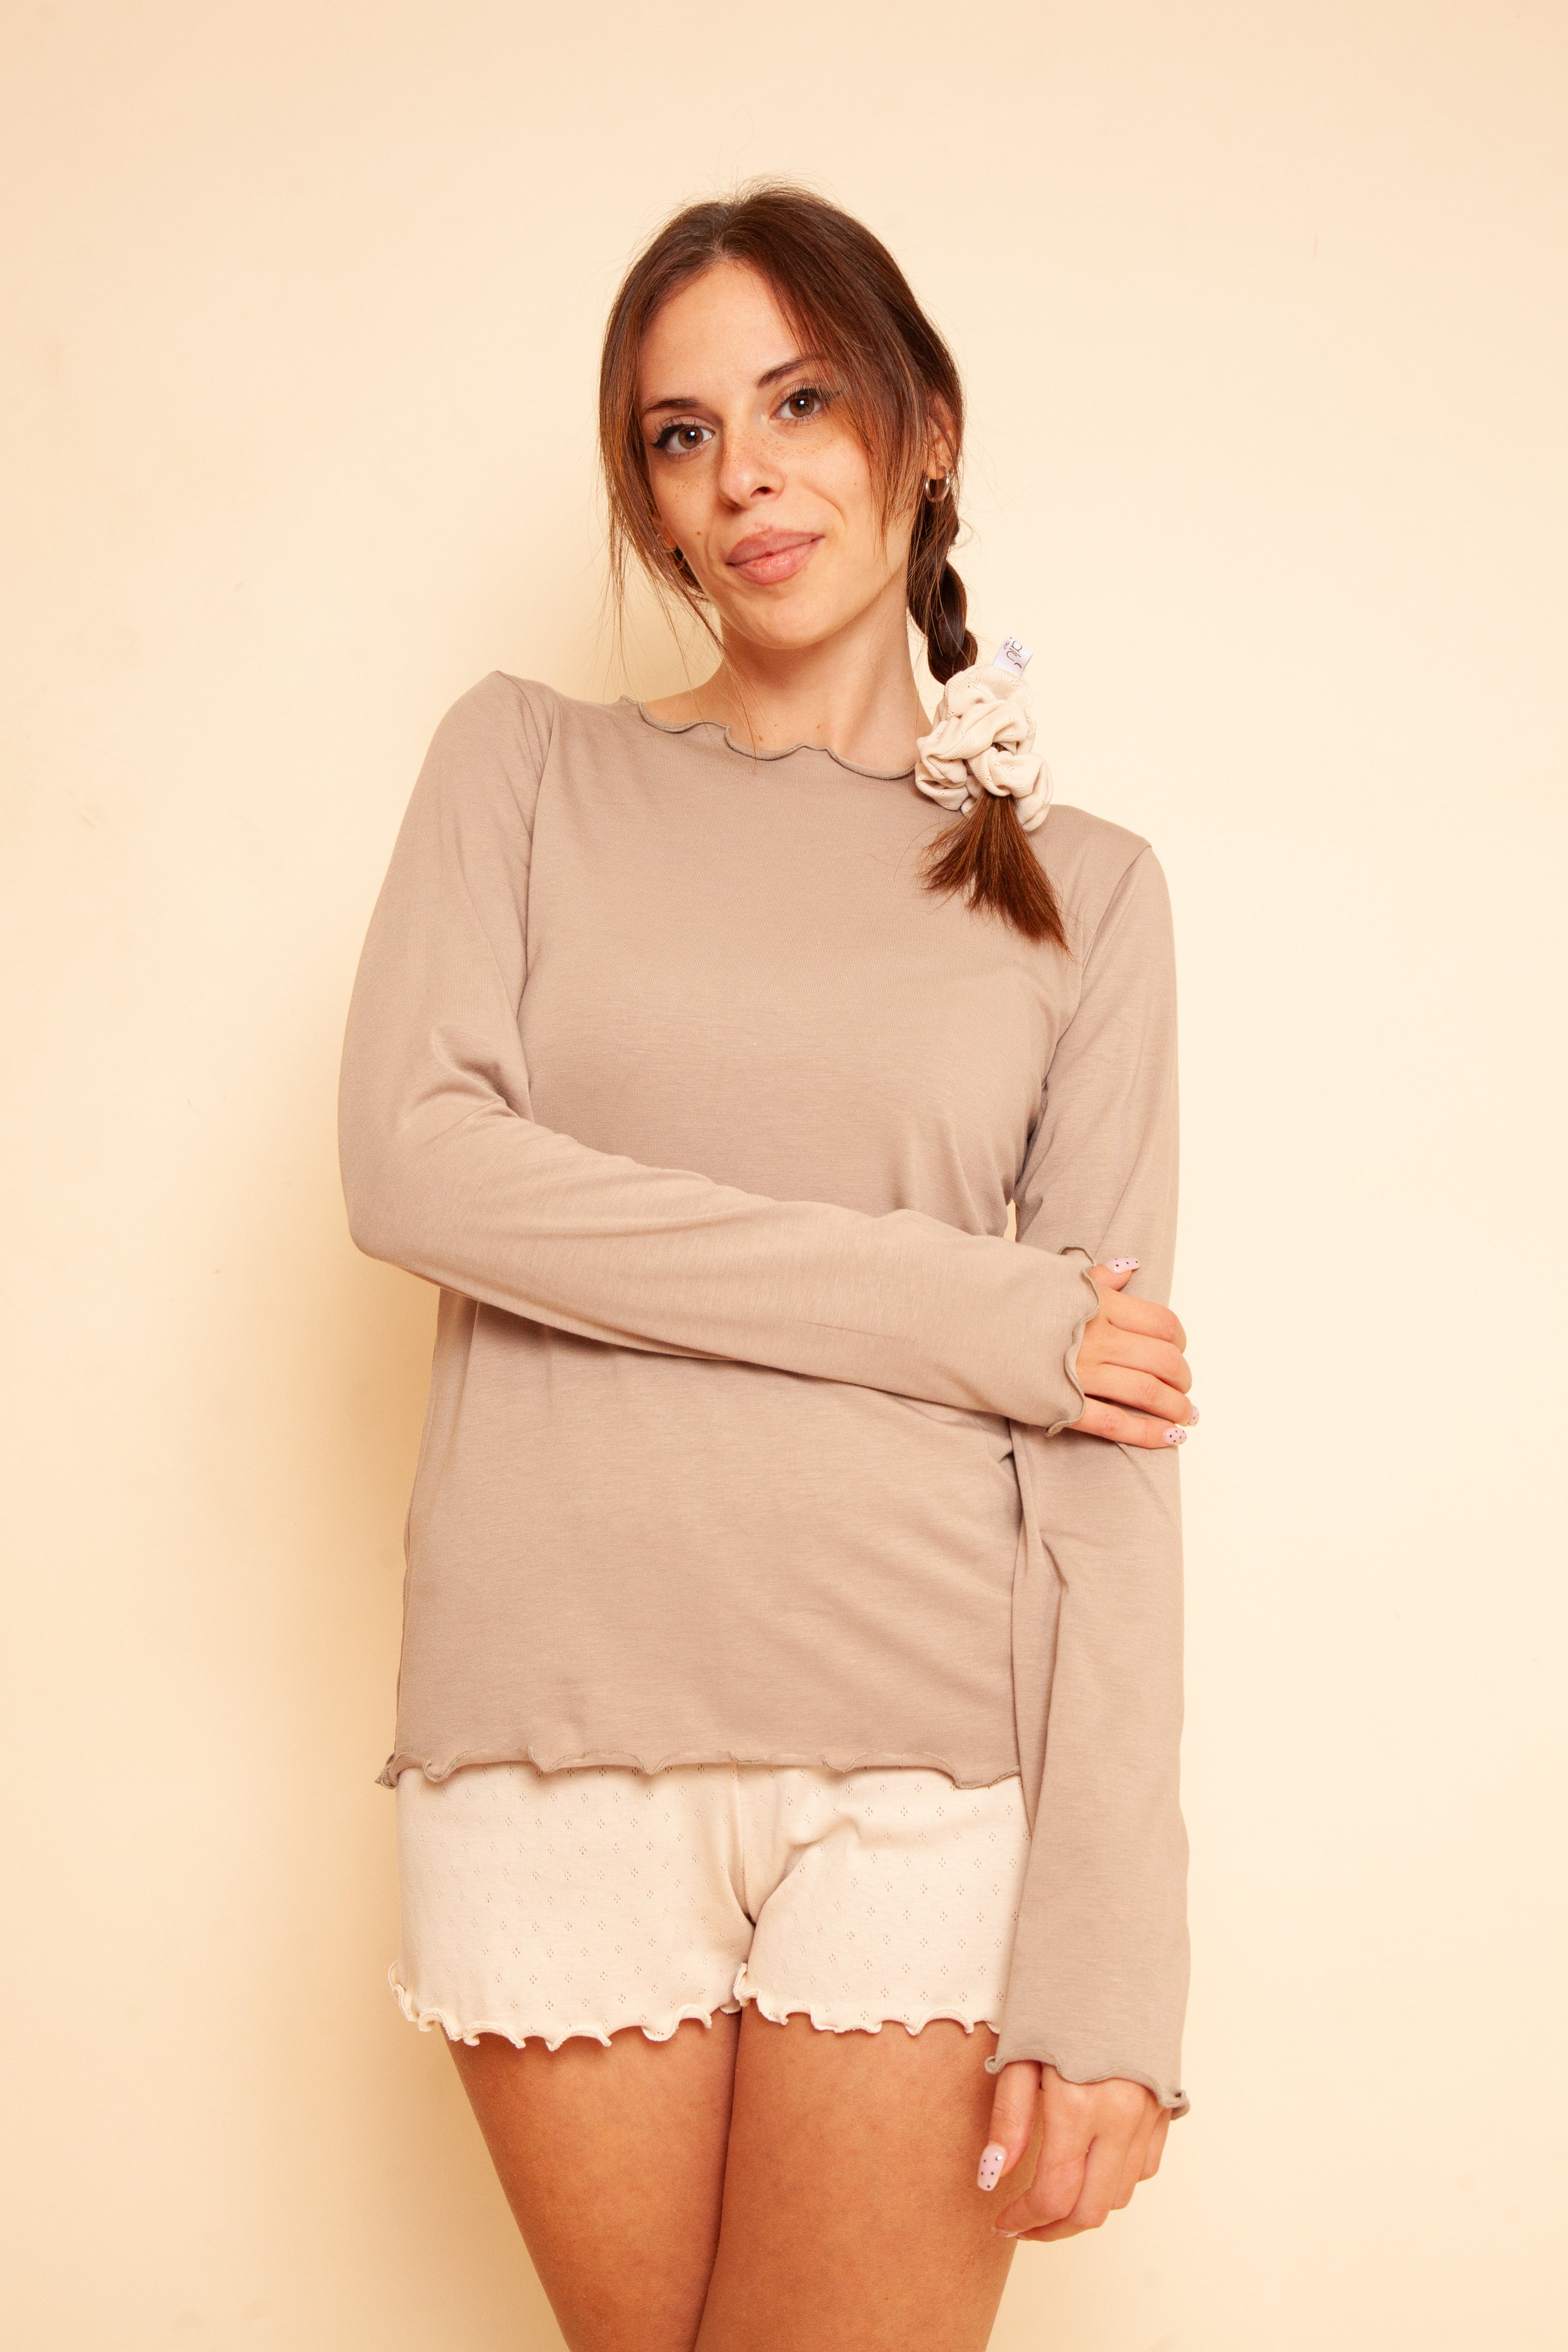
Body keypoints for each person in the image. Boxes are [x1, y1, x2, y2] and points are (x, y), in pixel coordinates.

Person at [338, 183, 1195, 2352]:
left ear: (926, 428)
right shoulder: (523, 769)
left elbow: (1106, 1437)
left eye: (801, 402)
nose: (745, 475)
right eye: (682, 432)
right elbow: (420, 1170)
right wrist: (968, 1309)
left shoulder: (1087, 893)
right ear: (648, 492)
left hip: (929, 1768)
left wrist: (1116, 1953)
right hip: (550, 1738)